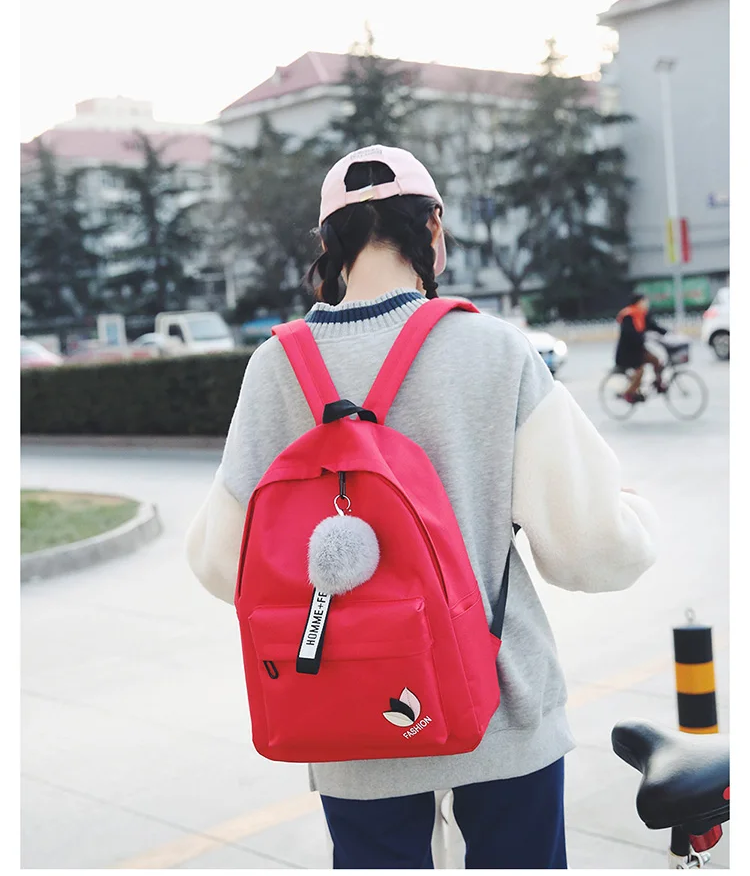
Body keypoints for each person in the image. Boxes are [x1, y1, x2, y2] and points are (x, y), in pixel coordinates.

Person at [185, 144, 660, 870]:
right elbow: (589, 547)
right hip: (501, 702)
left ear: (328, 245)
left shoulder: (276, 367)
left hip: (348, 708)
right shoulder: (494, 350)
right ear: (433, 227)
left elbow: (224, 565)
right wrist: (637, 517)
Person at [615, 293, 669, 403]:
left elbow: (653, 326)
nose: (646, 304)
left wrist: (667, 333)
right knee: (640, 371)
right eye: (644, 301)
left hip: (639, 349)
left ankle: (658, 383)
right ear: (638, 302)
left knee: (656, 360)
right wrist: (641, 337)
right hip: (628, 352)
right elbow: (629, 333)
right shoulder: (628, 315)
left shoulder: (642, 314)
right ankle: (628, 393)